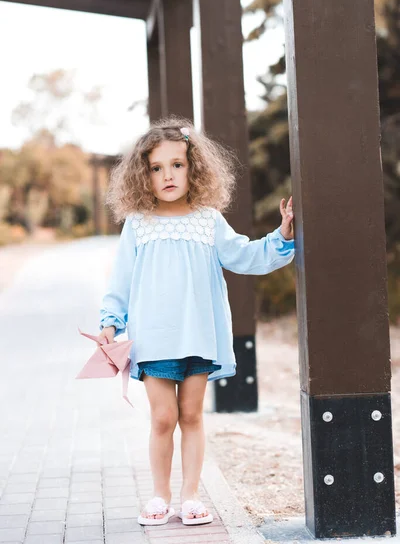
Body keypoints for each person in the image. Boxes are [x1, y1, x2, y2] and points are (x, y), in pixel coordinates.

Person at [98, 116, 295, 527]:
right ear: (143, 175)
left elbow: (245, 255)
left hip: (199, 337)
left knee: (191, 415)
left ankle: (190, 496)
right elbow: (121, 279)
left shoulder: (208, 219)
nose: (167, 175)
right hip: (153, 339)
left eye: (177, 164)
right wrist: (111, 321)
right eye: (156, 168)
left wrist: (282, 237)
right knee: (162, 418)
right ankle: (159, 495)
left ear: (194, 168)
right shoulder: (139, 224)